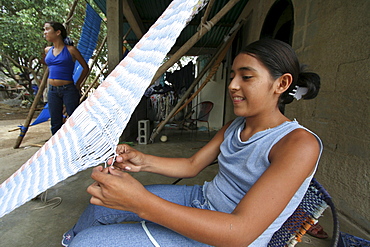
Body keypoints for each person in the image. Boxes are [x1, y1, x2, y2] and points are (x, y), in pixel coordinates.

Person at [62, 39, 322, 247]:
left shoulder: (298, 144)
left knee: (89, 243)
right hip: (201, 199)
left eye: (246, 77)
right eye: (232, 76)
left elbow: (239, 233)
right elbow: (191, 165)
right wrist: (143, 161)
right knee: (99, 208)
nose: (232, 85)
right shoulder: (235, 126)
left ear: (282, 83)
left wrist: (140, 202)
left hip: (225, 234)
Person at [43, 21, 89, 135]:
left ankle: (78, 145)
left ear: (58, 32)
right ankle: (58, 148)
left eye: (47, 29)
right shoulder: (48, 50)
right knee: (55, 121)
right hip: (52, 90)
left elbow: (85, 68)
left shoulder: (70, 50)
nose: (45, 32)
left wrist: (77, 85)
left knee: (74, 118)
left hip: (68, 89)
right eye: (44, 29)